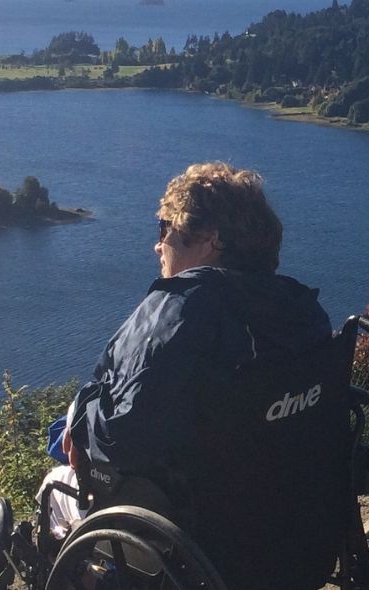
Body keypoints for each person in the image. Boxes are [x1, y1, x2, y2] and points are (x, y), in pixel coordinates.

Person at [39, 161, 330, 541]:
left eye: (166, 228)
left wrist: (80, 420)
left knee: (53, 487)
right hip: (288, 520)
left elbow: (125, 435)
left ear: (210, 240)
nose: (157, 244)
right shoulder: (300, 311)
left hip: (195, 528)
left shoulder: (182, 312)